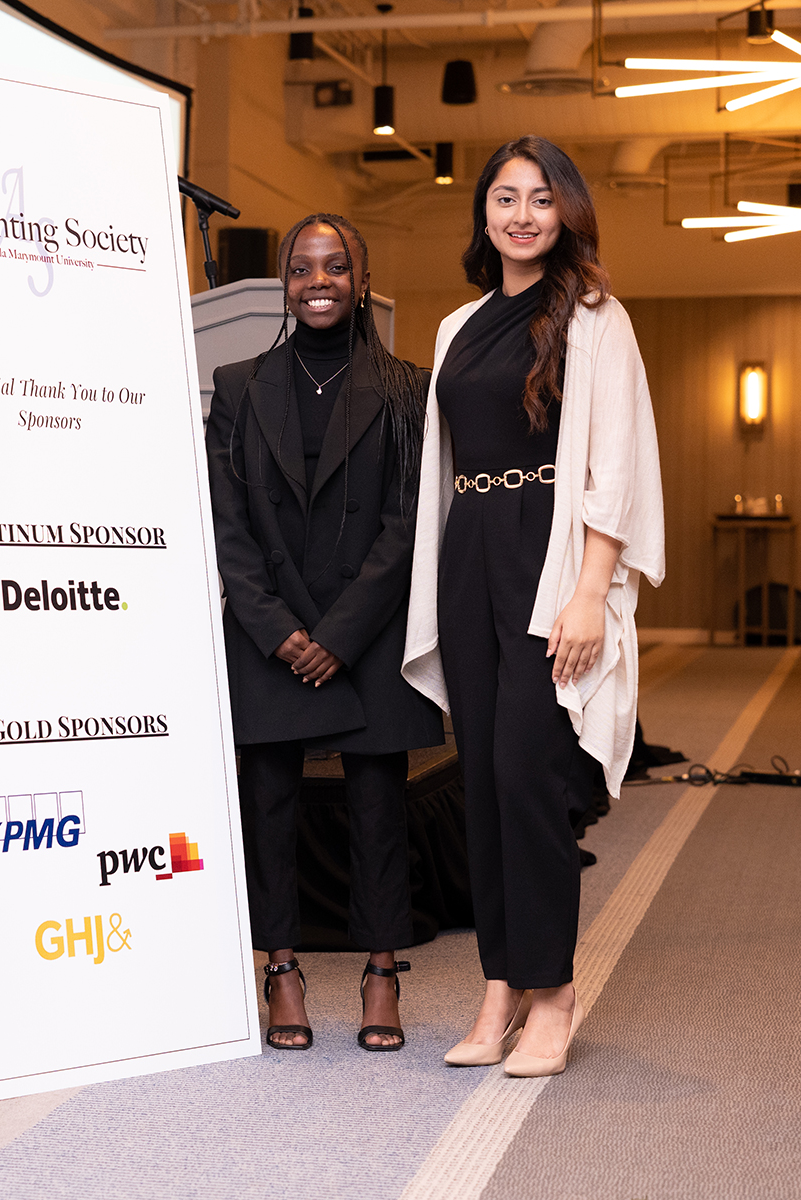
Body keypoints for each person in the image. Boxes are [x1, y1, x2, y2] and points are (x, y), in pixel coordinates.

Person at [403, 136, 664, 1077]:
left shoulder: (595, 318)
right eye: (505, 197)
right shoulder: (456, 325)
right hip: (469, 552)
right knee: (481, 781)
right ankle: (498, 988)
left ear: (567, 214)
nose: (521, 214)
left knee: (527, 776)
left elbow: (616, 463)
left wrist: (591, 591)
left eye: (540, 199)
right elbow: (443, 462)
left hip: (549, 559)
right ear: (483, 212)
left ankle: (551, 992)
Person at [206, 213, 444, 1051]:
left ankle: (382, 972)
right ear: (283, 281)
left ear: (361, 279)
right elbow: (226, 524)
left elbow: (408, 523)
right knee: (268, 801)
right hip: (274, 629)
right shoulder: (237, 387)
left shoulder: (410, 389)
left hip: (366, 631)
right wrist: (280, 631)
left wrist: (339, 633)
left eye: (335, 267)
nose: (318, 282)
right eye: (303, 268)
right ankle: (283, 970)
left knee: (378, 805)